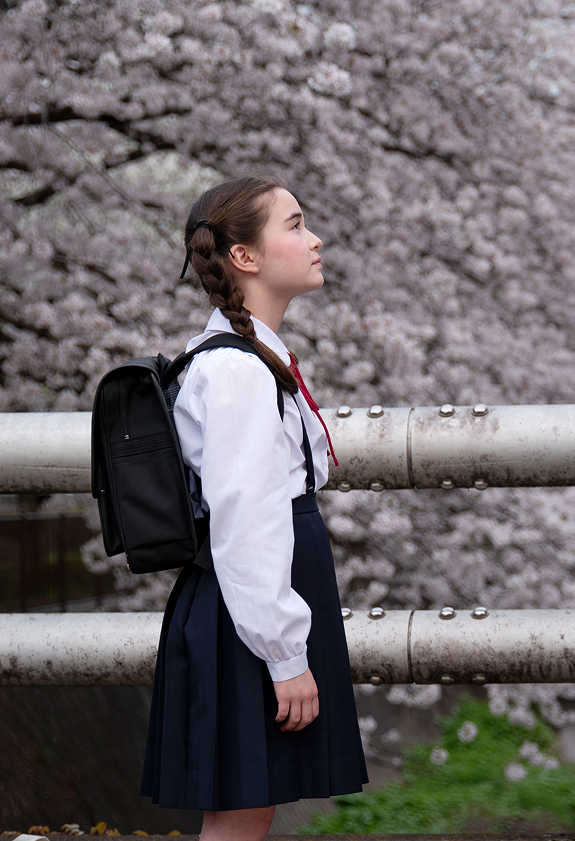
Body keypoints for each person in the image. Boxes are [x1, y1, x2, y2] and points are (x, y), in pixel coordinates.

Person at [141, 176, 368, 838]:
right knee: (240, 813)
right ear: (246, 257)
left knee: (249, 806)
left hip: (249, 606)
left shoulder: (247, 359)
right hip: (251, 611)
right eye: (295, 225)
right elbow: (245, 521)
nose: (314, 238)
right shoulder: (237, 371)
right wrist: (285, 654)